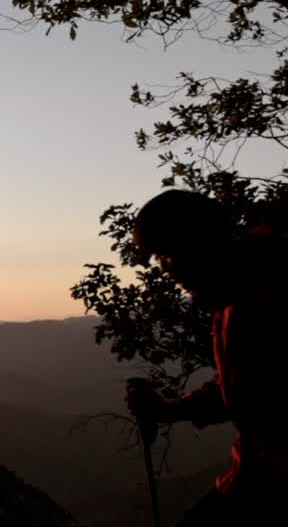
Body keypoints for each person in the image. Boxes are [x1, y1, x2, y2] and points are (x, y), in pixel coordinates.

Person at [125, 189, 288, 525]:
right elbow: (246, 386)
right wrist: (168, 410)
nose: (165, 269)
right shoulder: (234, 296)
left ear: (201, 240)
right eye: (158, 258)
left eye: (167, 254)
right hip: (256, 478)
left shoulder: (273, 290)